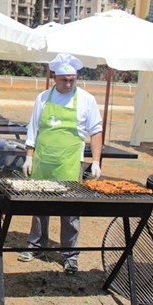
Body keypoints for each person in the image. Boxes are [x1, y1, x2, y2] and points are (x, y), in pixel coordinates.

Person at [19, 53, 103, 275]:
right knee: (39, 205)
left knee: (70, 209)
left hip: (69, 163)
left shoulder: (86, 99)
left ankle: (69, 255)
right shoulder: (43, 98)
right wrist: (29, 156)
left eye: (72, 79)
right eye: (64, 79)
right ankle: (36, 246)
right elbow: (33, 129)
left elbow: (95, 131)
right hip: (43, 161)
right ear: (55, 77)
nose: (68, 84)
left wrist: (96, 161)